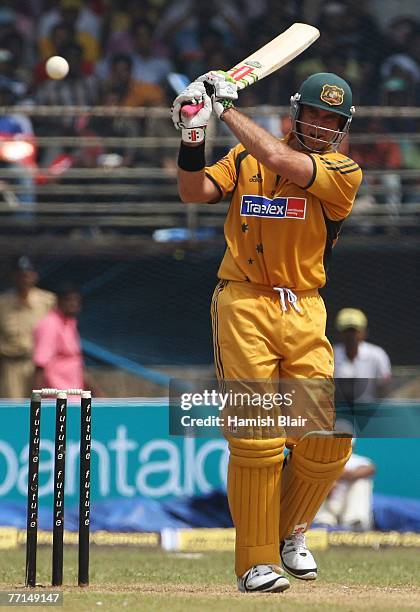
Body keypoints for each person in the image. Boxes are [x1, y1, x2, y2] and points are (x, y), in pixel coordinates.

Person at [171, 70, 362, 593]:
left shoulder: (343, 171)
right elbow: (193, 191)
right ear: (297, 111)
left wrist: (226, 109)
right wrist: (193, 135)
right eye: (316, 115)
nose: (322, 127)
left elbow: (284, 162)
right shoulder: (244, 158)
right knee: (257, 436)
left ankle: (287, 533)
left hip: (304, 307)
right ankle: (254, 563)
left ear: (343, 129)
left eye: (333, 120)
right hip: (244, 300)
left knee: (328, 438)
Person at [0, 256, 55, 398]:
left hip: (39, 366)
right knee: (14, 409)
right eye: (20, 274)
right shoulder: (3, 303)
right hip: (11, 365)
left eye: (28, 274)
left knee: (40, 409)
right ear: (13, 277)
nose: (24, 278)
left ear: (35, 275)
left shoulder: (47, 301)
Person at [33, 283, 102, 395]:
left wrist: (99, 394)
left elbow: (77, 365)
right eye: (69, 300)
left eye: (77, 301)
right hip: (56, 399)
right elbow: (40, 366)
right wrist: (38, 404)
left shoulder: (70, 323)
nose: (73, 304)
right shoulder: (49, 324)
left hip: (74, 395)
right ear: (59, 301)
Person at [334, 308, 392, 403]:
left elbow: (384, 386)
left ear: (364, 332)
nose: (350, 335)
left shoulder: (377, 355)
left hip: (370, 412)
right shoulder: (330, 355)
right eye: (346, 331)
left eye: (354, 331)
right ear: (339, 333)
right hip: (338, 413)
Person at [315, 439, 376, 531]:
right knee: (317, 483)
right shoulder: (321, 460)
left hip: (347, 506)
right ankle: (323, 522)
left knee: (361, 482)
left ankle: (355, 523)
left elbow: (370, 469)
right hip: (328, 503)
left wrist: (334, 475)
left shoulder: (357, 460)